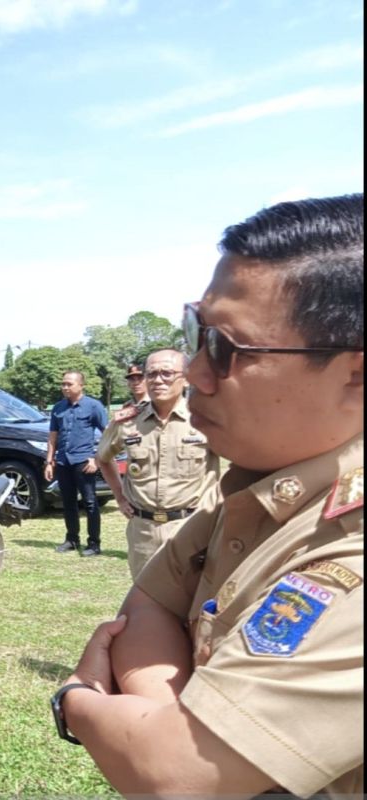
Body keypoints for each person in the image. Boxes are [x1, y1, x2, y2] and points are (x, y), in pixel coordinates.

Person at [55, 193, 363, 797]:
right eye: (198, 333)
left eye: (224, 348)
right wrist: (168, 718)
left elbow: (173, 775)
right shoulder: (258, 496)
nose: (194, 372)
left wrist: (76, 701)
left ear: (355, 374)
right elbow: (144, 605)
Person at [96, 350, 220, 578]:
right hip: (144, 532)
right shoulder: (128, 421)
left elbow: (244, 462)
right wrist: (120, 496)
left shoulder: (207, 418)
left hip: (192, 528)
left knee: (194, 605)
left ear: (185, 378)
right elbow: (103, 458)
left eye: (167, 373)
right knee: (146, 604)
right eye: (151, 374)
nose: (157, 380)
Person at [44, 372, 108, 556]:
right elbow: (53, 437)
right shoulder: (58, 408)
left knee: (89, 502)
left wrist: (96, 458)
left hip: (83, 461)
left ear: (81, 385)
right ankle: (72, 539)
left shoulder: (94, 406)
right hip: (63, 461)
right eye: (63, 384)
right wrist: (49, 462)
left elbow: (108, 434)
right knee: (68, 502)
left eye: (69, 384)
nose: (65, 387)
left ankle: (94, 544)